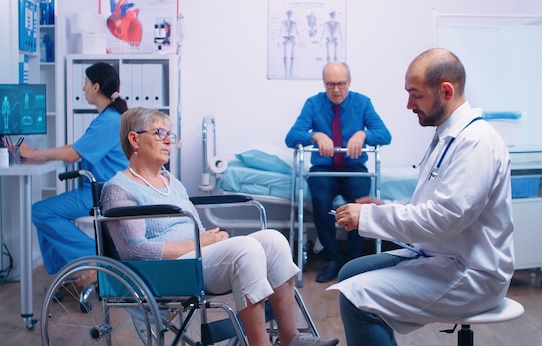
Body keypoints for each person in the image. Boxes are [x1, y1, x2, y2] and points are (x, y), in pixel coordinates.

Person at [100, 107, 339, 346]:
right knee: (246, 248)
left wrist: (214, 239)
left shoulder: (171, 182)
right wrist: (200, 242)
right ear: (134, 139)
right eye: (160, 133)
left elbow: (196, 227)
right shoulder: (118, 189)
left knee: (274, 240)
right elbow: (134, 251)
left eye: (170, 135)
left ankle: (290, 338)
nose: (167, 141)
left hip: (195, 258)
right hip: (164, 272)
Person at [327, 48, 515, 345]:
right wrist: (384, 207)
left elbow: (444, 219)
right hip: (441, 256)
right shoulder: (446, 137)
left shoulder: (476, 143)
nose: (408, 104)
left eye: (416, 95)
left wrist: (368, 217)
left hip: (472, 273)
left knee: (356, 297)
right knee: (352, 270)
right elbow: (432, 206)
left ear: (446, 91)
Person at [285, 62, 392, 283]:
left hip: (354, 167)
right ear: (324, 84)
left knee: (361, 203)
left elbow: (384, 134)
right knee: (320, 199)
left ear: (349, 82)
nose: (335, 90)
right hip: (323, 168)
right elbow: (292, 136)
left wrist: (363, 135)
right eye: (330, 84)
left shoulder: (362, 103)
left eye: (341, 84)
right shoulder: (313, 104)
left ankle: (352, 260)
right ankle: (332, 258)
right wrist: (314, 136)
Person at [20, 62, 129, 276]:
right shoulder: (108, 118)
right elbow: (74, 147)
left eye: (85, 83)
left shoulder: (109, 121)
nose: (83, 88)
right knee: (46, 213)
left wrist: (33, 155)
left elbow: (72, 154)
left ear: (96, 87)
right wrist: (35, 152)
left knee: (41, 211)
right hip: (101, 188)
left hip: (104, 192)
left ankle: (94, 260)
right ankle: (67, 274)